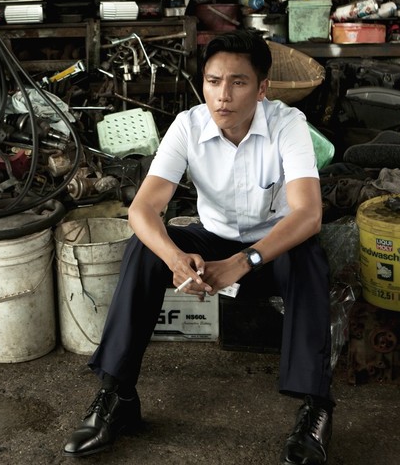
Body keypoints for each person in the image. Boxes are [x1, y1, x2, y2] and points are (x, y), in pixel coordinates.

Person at [62, 30, 334, 464]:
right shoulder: (187, 126)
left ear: (261, 89)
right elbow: (143, 208)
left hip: (271, 246)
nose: (223, 95)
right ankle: (117, 395)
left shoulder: (288, 124)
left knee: (307, 257)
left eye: (238, 83)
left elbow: (308, 214)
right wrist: (175, 259)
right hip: (211, 240)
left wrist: (245, 260)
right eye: (213, 81)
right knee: (143, 249)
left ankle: (314, 408)